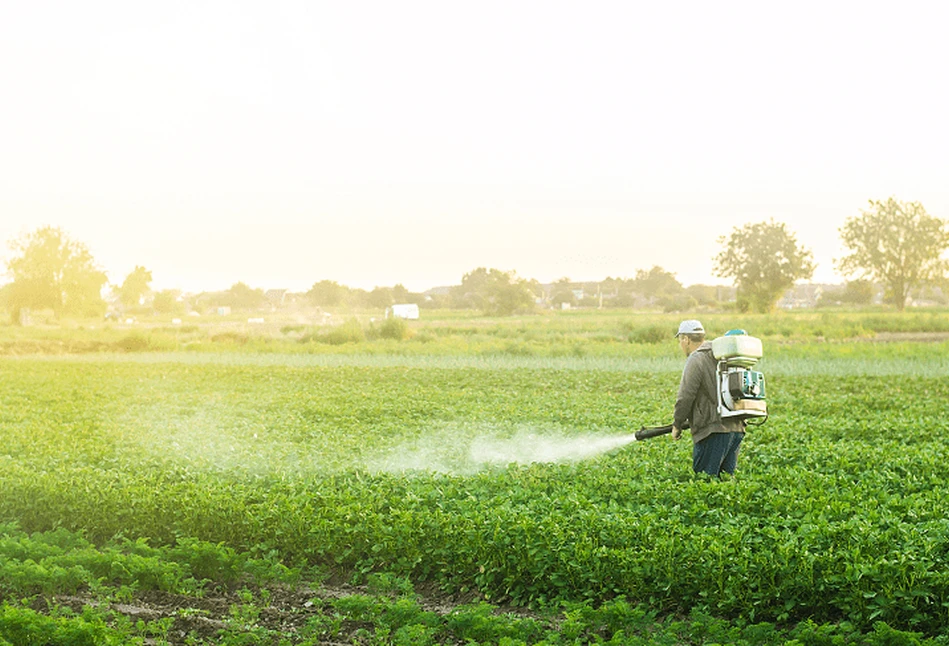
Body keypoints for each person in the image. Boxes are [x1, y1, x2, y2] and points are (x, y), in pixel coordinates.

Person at [671, 319, 746, 477]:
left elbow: (685, 396)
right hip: (736, 427)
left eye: (680, 340)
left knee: (705, 483)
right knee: (725, 485)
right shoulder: (722, 354)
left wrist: (677, 424)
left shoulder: (696, 358)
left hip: (713, 430)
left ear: (686, 339)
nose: (680, 345)